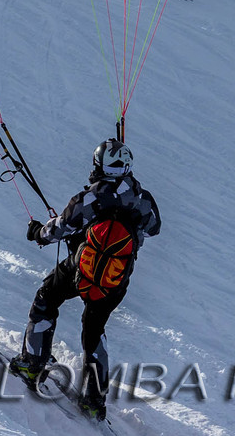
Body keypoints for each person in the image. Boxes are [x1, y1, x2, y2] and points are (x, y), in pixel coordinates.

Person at [13, 138, 160, 417]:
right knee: (94, 330)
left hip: (80, 269)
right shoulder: (143, 199)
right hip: (115, 281)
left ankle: (31, 364)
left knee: (46, 299)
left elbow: (58, 230)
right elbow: (154, 228)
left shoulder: (92, 197)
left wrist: (36, 233)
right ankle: (94, 399)